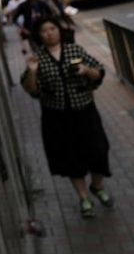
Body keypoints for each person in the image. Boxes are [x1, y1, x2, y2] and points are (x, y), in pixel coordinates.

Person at [21, 18, 113, 218]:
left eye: (52, 28)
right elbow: (31, 90)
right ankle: (84, 198)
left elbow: (99, 73)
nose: (49, 33)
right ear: (39, 35)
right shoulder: (38, 59)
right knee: (70, 156)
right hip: (56, 117)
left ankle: (97, 186)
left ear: (59, 30)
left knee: (99, 150)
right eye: (44, 30)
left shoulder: (75, 50)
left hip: (85, 112)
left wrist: (86, 70)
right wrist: (32, 73)